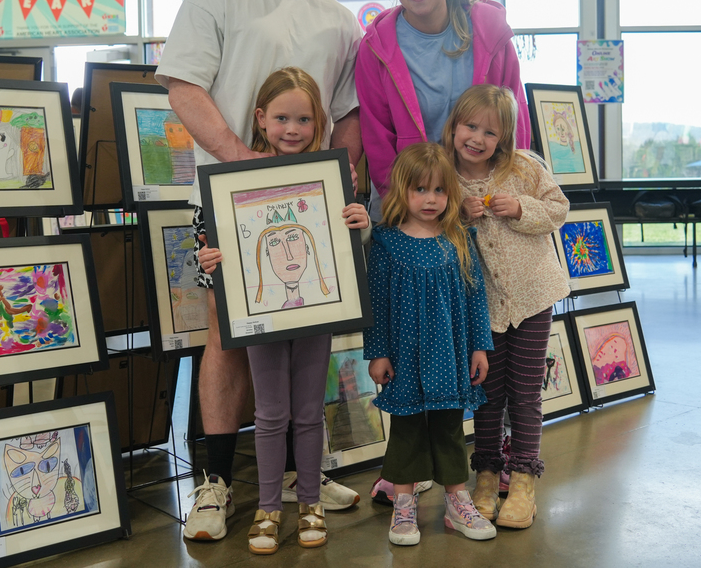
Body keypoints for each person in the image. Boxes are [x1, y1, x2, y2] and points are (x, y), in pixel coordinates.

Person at [154, 0, 363, 541]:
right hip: (228, 200)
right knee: (227, 337)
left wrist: (343, 184)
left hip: (311, 207)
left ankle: (304, 473)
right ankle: (215, 482)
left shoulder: (338, 20)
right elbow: (185, 87)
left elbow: (349, 113)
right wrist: (241, 163)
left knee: (310, 335)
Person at [198, 68, 369, 554]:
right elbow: (209, 245)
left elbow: (346, 240)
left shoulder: (333, 178)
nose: (292, 129)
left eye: (303, 119)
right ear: (261, 119)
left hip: (316, 312)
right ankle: (268, 507)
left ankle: (310, 503)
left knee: (309, 413)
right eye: (281, 118)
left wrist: (360, 219)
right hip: (262, 315)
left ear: (319, 123)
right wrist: (208, 259)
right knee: (271, 414)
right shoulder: (234, 180)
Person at [441, 85, 569, 529]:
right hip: (482, 307)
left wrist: (522, 208)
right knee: (488, 394)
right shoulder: (443, 175)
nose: (477, 138)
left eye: (489, 132)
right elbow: (428, 223)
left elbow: (558, 209)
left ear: (505, 138)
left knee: (525, 392)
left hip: (533, 296)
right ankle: (488, 473)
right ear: (454, 125)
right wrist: (457, 215)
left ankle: (523, 480)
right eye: (470, 126)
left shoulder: (524, 168)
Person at [364, 142, 496, 545]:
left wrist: (479, 347)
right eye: (420, 190)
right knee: (405, 428)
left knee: (449, 426)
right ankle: (404, 504)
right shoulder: (385, 243)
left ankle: (457, 500)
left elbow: (476, 297)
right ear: (401, 191)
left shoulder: (458, 237)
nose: (430, 199)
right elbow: (377, 302)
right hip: (403, 356)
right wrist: (378, 352)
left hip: (450, 353)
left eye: (439, 191)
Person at [355, 0, 531, 225]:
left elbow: (516, 124)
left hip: (484, 204)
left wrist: (514, 190)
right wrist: (410, 208)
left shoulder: (491, 33)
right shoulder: (375, 48)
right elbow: (378, 141)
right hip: (411, 208)